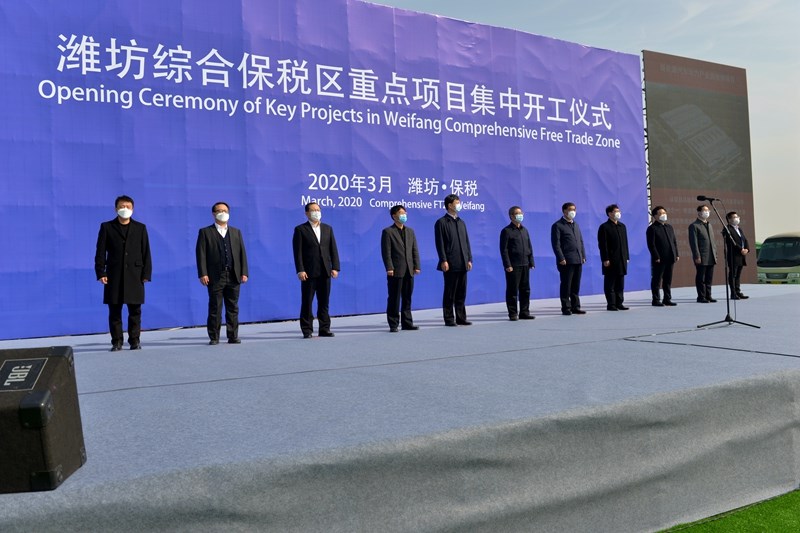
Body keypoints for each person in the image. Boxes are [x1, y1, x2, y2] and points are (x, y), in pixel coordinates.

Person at [94, 195, 152, 351]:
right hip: (114, 275)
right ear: (116, 209)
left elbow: (146, 252)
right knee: (114, 310)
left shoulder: (140, 228)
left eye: (128, 206)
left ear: (133, 209)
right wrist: (101, 272)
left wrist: (146, 273)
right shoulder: (107, 227)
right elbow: (100, 252)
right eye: (121, 206)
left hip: (135, 275)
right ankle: (117, 341)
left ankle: (135, 341)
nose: (124, 209)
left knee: (135, 311)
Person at [196, 202, 249, 345]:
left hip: (233, 275)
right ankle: (214, 337)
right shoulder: (205, 232)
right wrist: (203, 273)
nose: (222, 213)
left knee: (233, 307)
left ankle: (233, 336)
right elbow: (201, 254)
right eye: (219, 211)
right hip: (215, 276)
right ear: (213, 214)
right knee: (215, 307)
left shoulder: (236, 232)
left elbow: (242, 253)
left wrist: (244, 272)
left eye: (225, 210)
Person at [293, 202, 340, 338]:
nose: (316, 212)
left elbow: (333, 249)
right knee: (307, 302)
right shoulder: (300, 229)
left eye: (318, 210)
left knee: (324, 302)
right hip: (309, 272)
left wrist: (335, 267)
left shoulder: (327, 228)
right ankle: (307, 330)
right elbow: (297, 252)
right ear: (307, 213)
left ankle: (324, 329)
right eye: (313, 210)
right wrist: (300, 270)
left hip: (325, 271)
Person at [381, 205, 421, 332]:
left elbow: (414, 250)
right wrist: (389, 267)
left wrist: (417, 265)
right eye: (401, 213)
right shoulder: (388, 232)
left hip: (409, 269)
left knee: (407, 297)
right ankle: (393, 324)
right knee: (394, 298)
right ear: (394, 216)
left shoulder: (410, 231)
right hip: (395, 270)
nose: (404, 215)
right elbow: (386, 252)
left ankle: (407, 323)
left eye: (405, 213)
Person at [434, 194, 473, 326]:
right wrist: (443, 260)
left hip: (463, 262)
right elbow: (440, 243)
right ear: (450, 205)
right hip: (450, 263)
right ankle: (449, 318)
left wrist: (469, 259)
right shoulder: (441, 222)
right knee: (450, 292)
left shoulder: (461, 222)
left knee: (461, 292)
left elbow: (466, 242)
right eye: (457, 202)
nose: (459, 204)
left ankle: (461, 318)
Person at [499, 206, 535, 320]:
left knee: (525, 290)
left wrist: (531, 261)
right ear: (511, 216)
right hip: (513, 266)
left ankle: (524, 312)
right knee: (512, 291)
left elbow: (529, 247)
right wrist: (508, 265)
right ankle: (513, 313)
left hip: (525, 264)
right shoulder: (506, 231)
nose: (520, 215)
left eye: (521, 213)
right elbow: (504, 250)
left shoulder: (525, 230)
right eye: (517, 213)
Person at [551, 202, 586, 315]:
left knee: (576, 285)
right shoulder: (558, 225)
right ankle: (566, 307)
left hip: (578, 259)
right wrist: (561, 258)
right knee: (566, 285)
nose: (573, 212)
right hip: (566, 261)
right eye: (570, 209)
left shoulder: (576, 225)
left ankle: (576, 307)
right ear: (564, 211)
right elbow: (556, 244)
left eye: (574, 209)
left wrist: (583, 256)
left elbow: (580, 241)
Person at [597, 204, 630, 311]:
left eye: (619, 211)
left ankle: (619, 303)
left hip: (622, 259)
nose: (618, 213)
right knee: (610, 283)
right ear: (609, 213)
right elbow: (603, 245)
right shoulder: (604, 227)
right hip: (610, 260)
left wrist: (627, 256)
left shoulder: (622, 226)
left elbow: (625, 243)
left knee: (620, 283)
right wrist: (605, 259)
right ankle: (611, 304)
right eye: (616, 211)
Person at [646, 206, 679, 306]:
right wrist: (656, 256)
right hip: (659, 259)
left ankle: (667, 299)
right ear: (655, 216)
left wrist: (676, 254)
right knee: (657, 280)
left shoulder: (669, 227)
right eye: (660, 213)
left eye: (664, 213)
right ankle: (656, 299)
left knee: (667, 280)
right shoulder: (652, 228)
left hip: (670, 257)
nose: (663, 215)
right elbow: (651, 245)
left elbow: (674, 242)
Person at [688, 204, 718, 303]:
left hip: (711, 255)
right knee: (701, 277)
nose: (707, 212)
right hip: (701, 256)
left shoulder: (709, 225)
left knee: (709, 278)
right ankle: (701, 296)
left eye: (708, 210)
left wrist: (715, 254)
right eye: (705, 210)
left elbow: (713, 242)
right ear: (699, 212)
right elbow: (693, 243)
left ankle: (708, 295)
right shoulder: (694, 226)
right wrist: (697, 256)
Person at [724, 211, 750, 300]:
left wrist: (747, 249)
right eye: (734, 217)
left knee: (738, 275)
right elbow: (732, 242)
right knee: (733, 274)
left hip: (741, 256)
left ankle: (738, 291)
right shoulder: (727, 229)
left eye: (737, 216)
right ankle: (733, 293)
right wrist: (740, 249)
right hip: (734, 255)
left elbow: (745, 240)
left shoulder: (739, 229)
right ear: (729, 219)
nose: (737, 218)